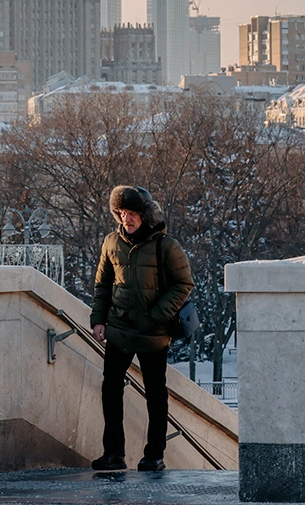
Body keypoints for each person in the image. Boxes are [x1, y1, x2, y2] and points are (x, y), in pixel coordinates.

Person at [89, 185, 193, 472]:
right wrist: (98, 320)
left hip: (153, 333)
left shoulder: (165, 245)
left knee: (155, 395)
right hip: (119, 330)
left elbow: (184, 284)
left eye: (132, 213)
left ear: (145, 215)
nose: (127, 219)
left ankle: (154, 455)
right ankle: (113, 454)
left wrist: (157, 316)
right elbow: (102, 285)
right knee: (111, 390)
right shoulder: (111, 243)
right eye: (122, 213)